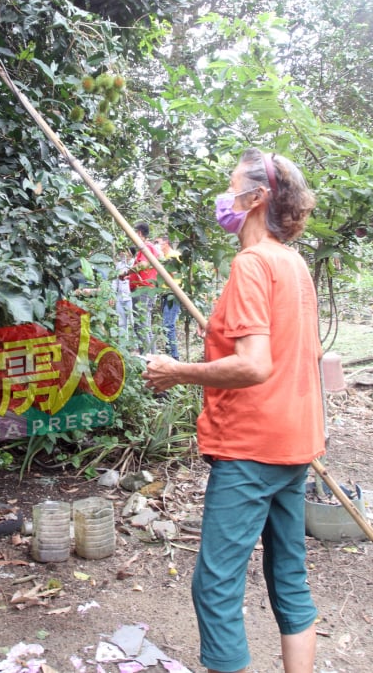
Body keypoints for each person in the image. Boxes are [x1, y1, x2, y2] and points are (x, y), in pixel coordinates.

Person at [142, 148, 325, 673]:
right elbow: (299, 354)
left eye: (231, 188)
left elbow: (254, 366)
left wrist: (175, 370)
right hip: (296, 441)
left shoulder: (252, 264)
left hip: (252, 447)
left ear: (257, 197)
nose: (225, 199)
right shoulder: (292, 263)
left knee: (215, 585)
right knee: (289, 573)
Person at [127, 221, 159, 353]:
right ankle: (152, 357)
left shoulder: (147, 247)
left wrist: (127, 272)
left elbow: (143, 265)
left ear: (139, 233)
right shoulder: (146, 248)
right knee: (144, 325)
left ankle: (147, 360)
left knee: (141, 325)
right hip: (143, 289)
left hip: (144, 290)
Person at [153, 236, 182, 360]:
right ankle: (171, 354)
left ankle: (174, 356)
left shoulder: (174, 255)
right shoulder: (163, 258)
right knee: (166, 326)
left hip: (173, 293)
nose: (157, 245)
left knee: (168, 325)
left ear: (166, 243)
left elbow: (176, 273)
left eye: (158, 243)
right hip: (165, 294)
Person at [113, 247, 134, 341]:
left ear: (129, 253)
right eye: (120, 252)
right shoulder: (119, 265)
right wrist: (113, 294)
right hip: (120, 297)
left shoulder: (134, 263)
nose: (122, 254)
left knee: (133, 321)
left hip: (131, 297)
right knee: (121, 322)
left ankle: (136, 345)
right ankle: (123, 344)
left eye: (124, 252)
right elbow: (115, 281)